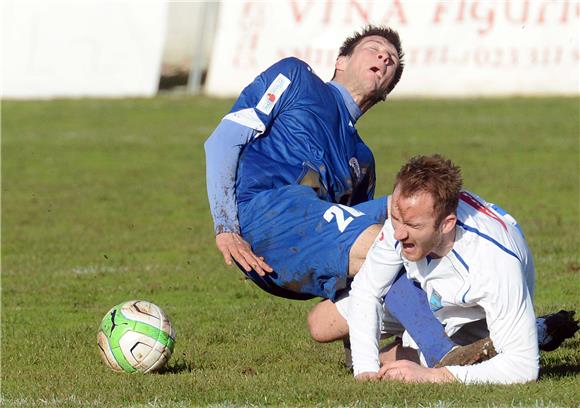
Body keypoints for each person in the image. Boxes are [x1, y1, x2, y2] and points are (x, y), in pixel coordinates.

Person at [204, 25, 468, 367]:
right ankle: (443, 351)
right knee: (386, 242)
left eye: (391, 61)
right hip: (266, 212)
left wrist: (358, 347)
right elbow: (224, 140)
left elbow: (359, 260)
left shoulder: (363, 160)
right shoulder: (296, 77)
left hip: (303, 244)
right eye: (374, 48)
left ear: (387, 89)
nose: (385, 57)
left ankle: (500, 327)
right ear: (341, 61)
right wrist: (225, 226)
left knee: (415, 214)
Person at [308, 154, 578, 384]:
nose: (398, 233)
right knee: (320, 325)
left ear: (447, 224)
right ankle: (529, 330)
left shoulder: (492, 263)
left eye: (413, 226)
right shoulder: (405, 218)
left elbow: (523, 367)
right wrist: (365, 370)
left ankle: (525, 332)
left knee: (401, 365)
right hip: (426, 294)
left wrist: (432, 377)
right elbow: (368, 290)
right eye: (395, 218)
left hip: (476, 316)